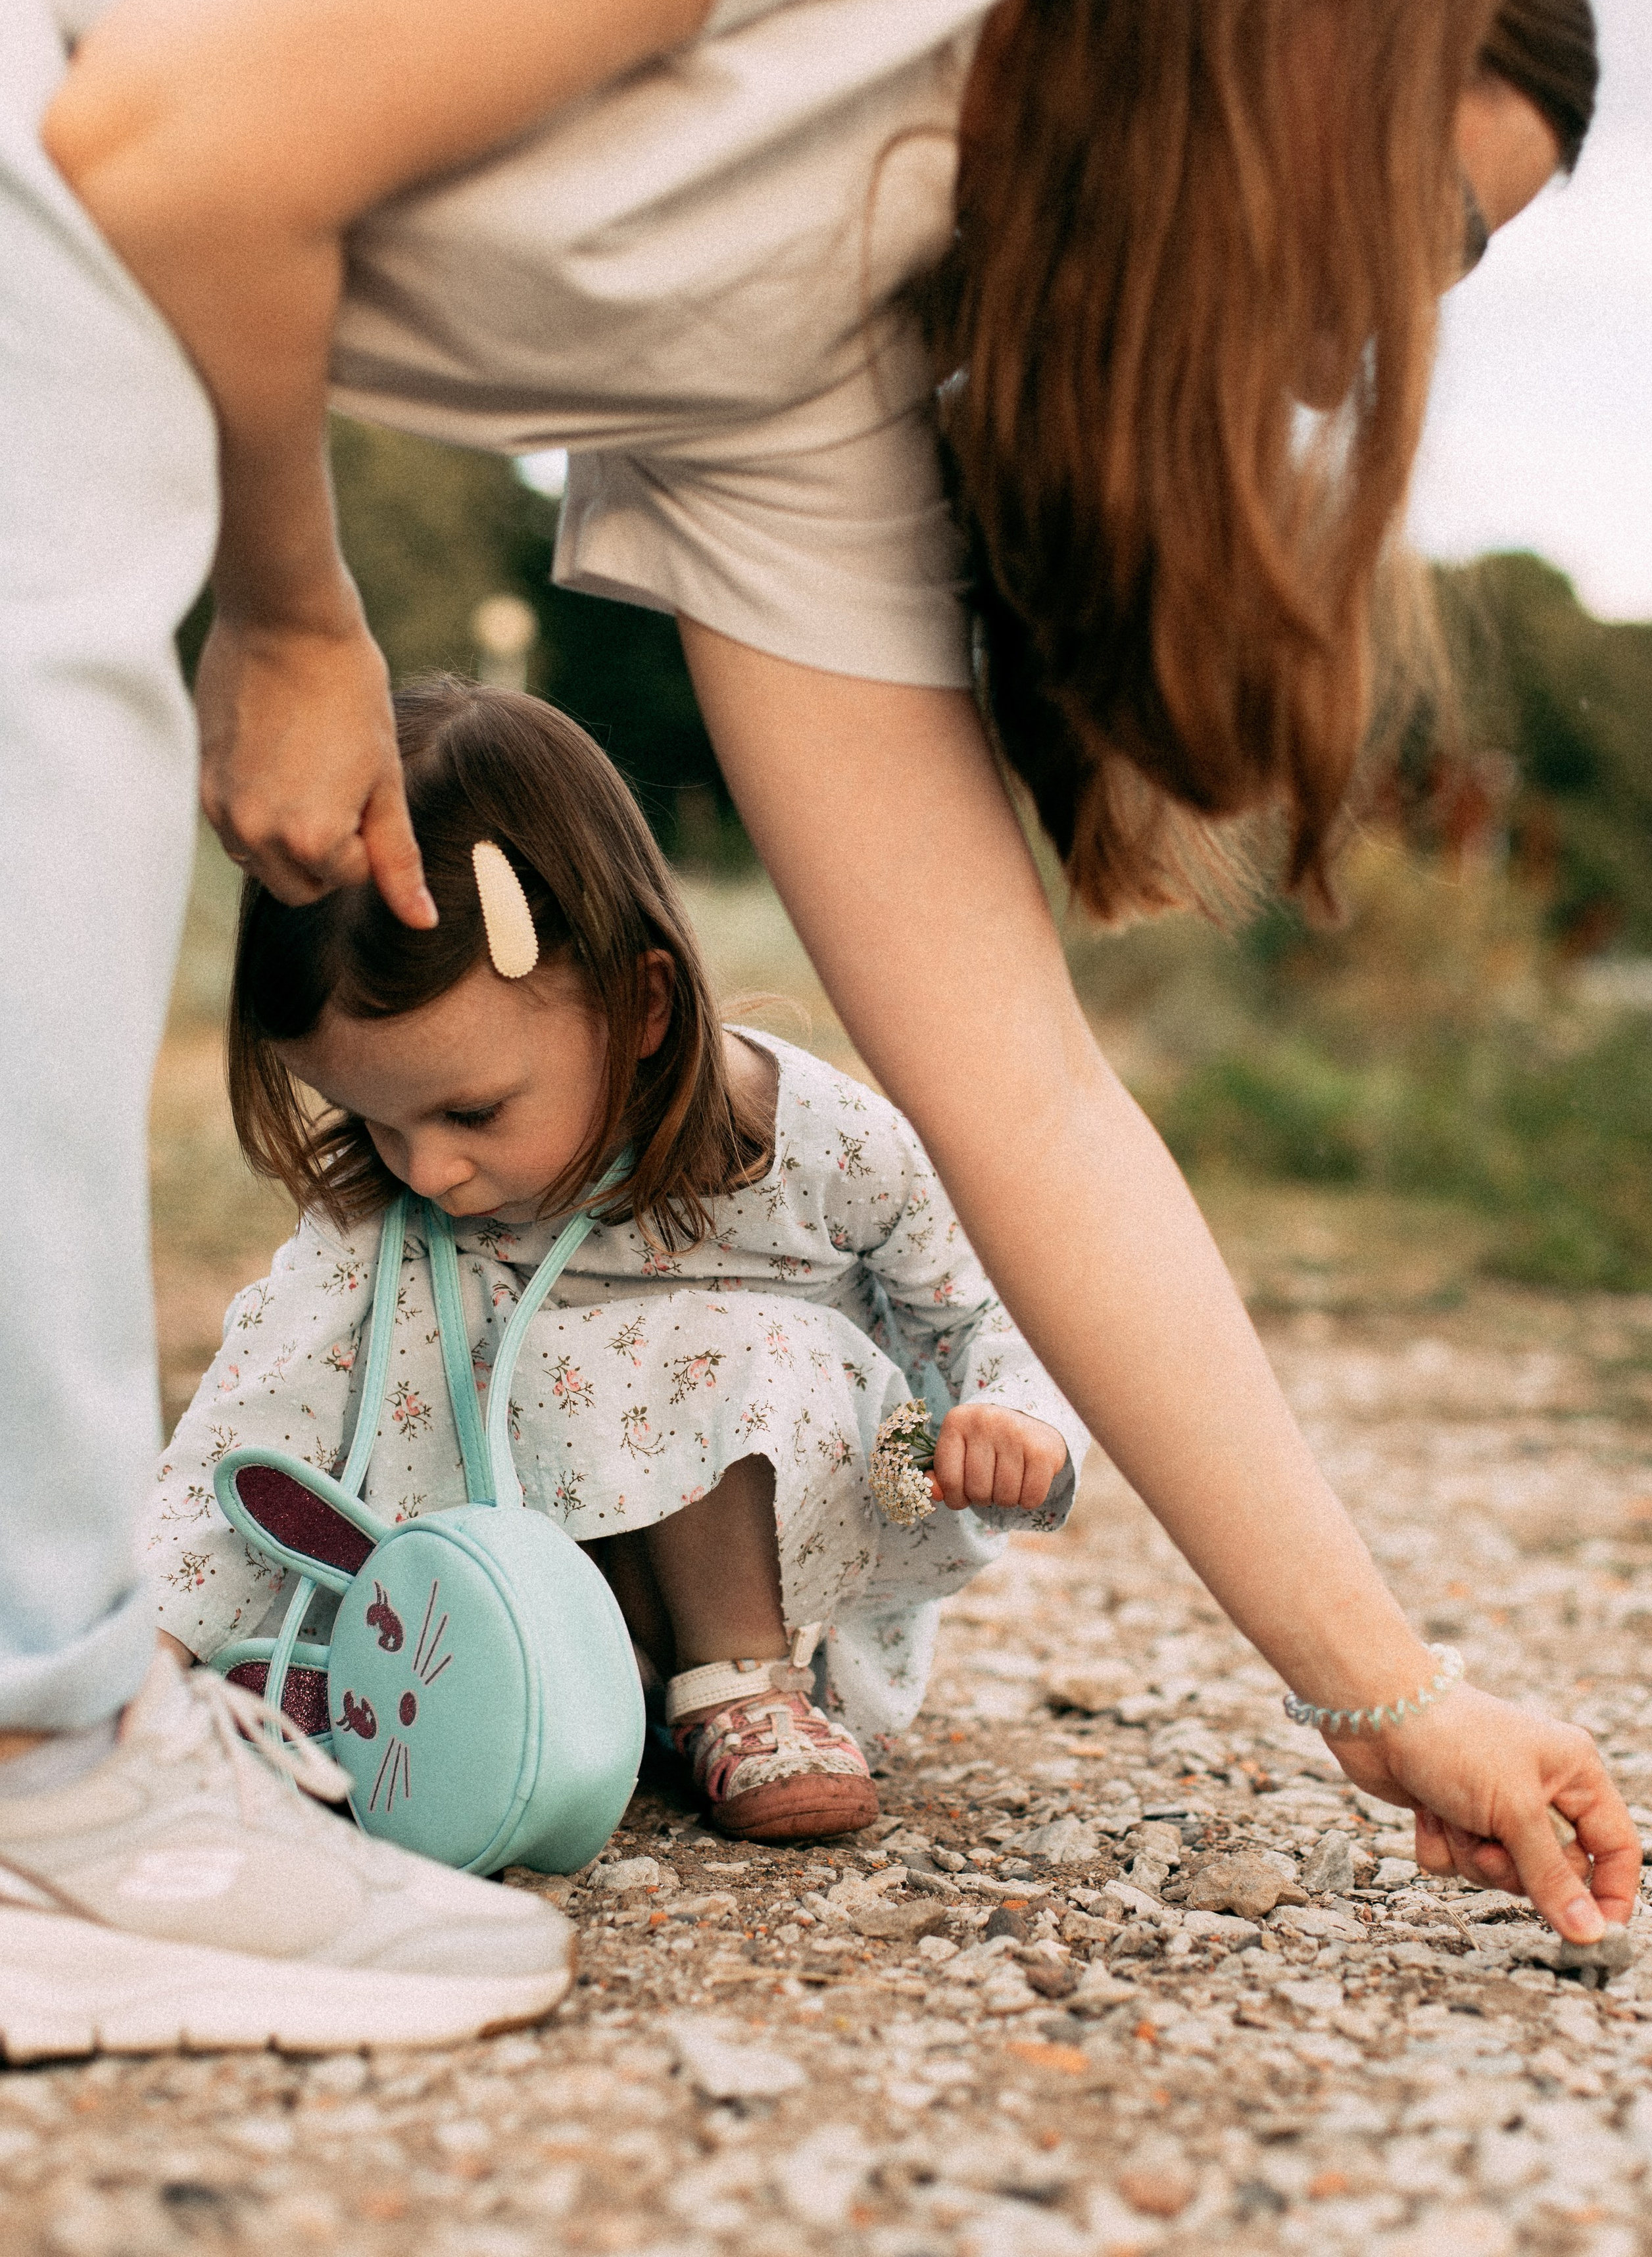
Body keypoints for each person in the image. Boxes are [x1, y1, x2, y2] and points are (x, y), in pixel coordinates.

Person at [0, 0, 1637, 2054]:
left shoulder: (819, 365)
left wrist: (1390, 1701)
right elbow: (186, 152)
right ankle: (41, 1776)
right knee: (51, 680)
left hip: (70, 157)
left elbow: (1032, 1104)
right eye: (1420, 231)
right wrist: (292, 606)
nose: (1382, 342)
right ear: (1303, 23)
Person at [147, 677, 1083, 1842]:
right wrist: (143, 1643)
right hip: (551, 1610)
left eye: (471, 1111)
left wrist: (1015, 1422)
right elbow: (261, 1406)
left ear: (642, 1004)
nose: (425, 1168)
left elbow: (989, 1307)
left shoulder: (827, 1148)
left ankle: (739, 1687)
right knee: (390, 1362)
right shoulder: (393, 1198)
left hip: (784, 1586)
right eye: (377, 1118)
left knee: (712, 1344)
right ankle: (534, 1697)